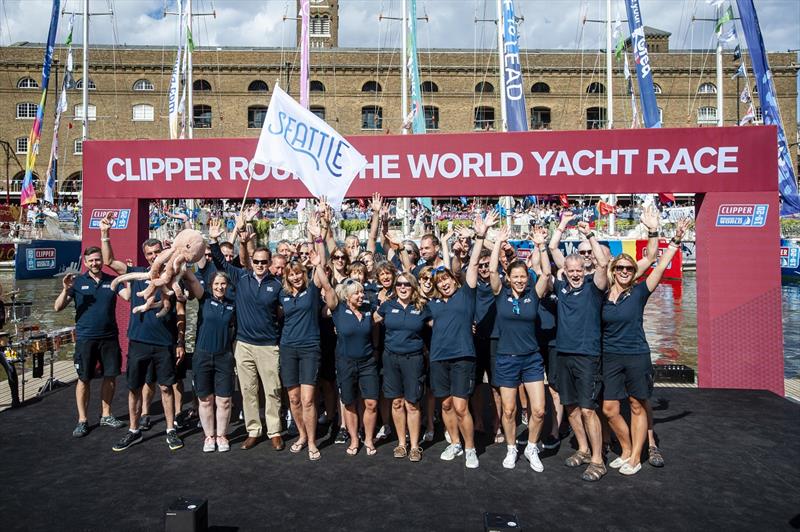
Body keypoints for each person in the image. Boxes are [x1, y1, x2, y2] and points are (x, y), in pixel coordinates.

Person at [602, 217, 691, 476]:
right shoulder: (603, 293)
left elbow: (660, 265)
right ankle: (628, 449)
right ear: (613, 270)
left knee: (637, 405)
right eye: (620, 268)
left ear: (634, 273)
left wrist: (674, 239)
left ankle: (635, 458)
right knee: (609, 408)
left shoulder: (640, 292)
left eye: (629, 269)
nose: (625, 272)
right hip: (610, 356)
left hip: (636, 355)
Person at [102, 232, 186, 452]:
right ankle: (133, 430)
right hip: (138, 341)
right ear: (144, 256)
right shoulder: (135, 273)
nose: (153, 256)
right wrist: (104, 233)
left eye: (157, 252)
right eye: (149, 254)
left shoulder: (173, 276)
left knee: (166, 387)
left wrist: (180, 341)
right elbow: (109, 262)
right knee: (134, 389)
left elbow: (180, 311)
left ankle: (170, 430)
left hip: (164, 343)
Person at [209, 217, 286, 451]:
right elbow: (220, 262)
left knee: (272, 392)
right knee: (248, 390)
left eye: (264, 261)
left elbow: (285, 311)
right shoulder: (241, 277)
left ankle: (274, 431)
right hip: (244, 345)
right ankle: (254, 430)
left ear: (270, 262)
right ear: (251, 261)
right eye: (257, 261)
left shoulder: (278, 284)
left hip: (269, 346)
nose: (261, 265)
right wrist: (214, 239)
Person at [429, 210, 497, 469]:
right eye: (440, 281)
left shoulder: (465, 294)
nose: (444, 283)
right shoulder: (433, 303)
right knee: (445, 405)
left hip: (462, 357)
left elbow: (472, 263)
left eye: (446, 279)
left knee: (460, 406)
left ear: (453, 280)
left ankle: (470, 448)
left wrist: (480, 236)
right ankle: (455, 442)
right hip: (438, 359)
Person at [488, 226, 551, 471]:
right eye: (515, 276)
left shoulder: (533, 295)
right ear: (509, 278)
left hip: (532, 359)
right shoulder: (500, 294)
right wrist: (498, 242)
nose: (519, 280)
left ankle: (532, 446)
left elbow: (546, 273)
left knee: (538, 410)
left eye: (523, 276)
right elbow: (492, 270)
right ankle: (512, 447)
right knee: (509, 409)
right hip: (506, 358)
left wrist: (540, 246)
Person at [550, 221, 609, 481]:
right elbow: (553, 248)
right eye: (571, 270)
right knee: (571, 407)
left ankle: (598, 460)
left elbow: (604, 265)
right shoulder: (561, 289)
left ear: (585, 270)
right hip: (564, 354)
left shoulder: (593, 288)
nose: (575, 274)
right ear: (565, 271)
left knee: (588, 409)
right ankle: (583, 449)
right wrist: (562, 226)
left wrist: (590, 236)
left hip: (587, 355)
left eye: (579, 270)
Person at [54, 246, 126, 437]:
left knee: (110, 376)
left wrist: (128, 276)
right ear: (85, 263)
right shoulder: (77, 282)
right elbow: (57, 307)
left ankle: (106, 415)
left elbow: (127, 297)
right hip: (86, 338)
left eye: (97, 259)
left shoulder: (112, 281)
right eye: (91, 260)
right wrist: (65, 289)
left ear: (102, 261)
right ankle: (82, 420)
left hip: (109, 336)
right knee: (83, 379)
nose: (95, 263)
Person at [278, 216, 327, 461]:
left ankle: (313, 441)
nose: (296, 277)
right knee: (294, 398)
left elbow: (321, 263)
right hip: (288, 348)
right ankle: (301, 435)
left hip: (309, 348)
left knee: (308, 400)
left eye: (299, 274)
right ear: (286, 277)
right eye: (292, 275)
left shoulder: (312, 289)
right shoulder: (282, 294)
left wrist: (318, 237)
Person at [373, 271, 431, 462]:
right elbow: (368, 319)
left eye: (407, 284)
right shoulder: (387, 306)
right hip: (391, 359)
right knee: (396, 402)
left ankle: (414, 446)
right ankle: (401, 443)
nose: (403, 287)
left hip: (413, 360)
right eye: (399, 284)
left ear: (413, 286)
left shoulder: (422, 307)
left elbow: (440, 324)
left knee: (412, 404)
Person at [322, 278, 380, 456]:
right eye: (357, 293)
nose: (361, 295)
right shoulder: (338, 310)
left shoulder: (369, 310)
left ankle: (368, 439)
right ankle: (354, 439)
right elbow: (328, 288)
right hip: (345, 363)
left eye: (362, 292)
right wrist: (319, 266)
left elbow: (384, 317)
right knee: (349, 403)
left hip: (367, 363)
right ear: (347, 296)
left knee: (371, 403)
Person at [184, 270, 236, 452]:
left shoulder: (232, 305)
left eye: (223, 284)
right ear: (210, 286)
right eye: (216, 284)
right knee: (205, 400)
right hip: (203, 356)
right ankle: (209, 437)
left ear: (227, 286)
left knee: (224, 401)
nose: (220, 287)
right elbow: (190, 278)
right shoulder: (204, 298)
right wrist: (180, 260)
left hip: (224, 356)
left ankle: (221, 435)